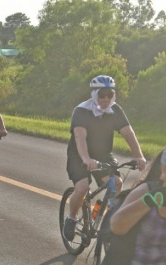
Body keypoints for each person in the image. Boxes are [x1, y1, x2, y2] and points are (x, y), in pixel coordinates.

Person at [63, 75, 147, 242]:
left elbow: (128, 133)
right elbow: (80, 137)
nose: (106, 99)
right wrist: (86, 159)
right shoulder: (82, 111)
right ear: (94, 94)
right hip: (79, 154)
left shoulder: (115, 110)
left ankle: (103, 217)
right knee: (82, 188)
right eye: (102, 95)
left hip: (102, 154)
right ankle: (71, 218)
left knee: (116, 183)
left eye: (110, 94)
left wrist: (139, 156)